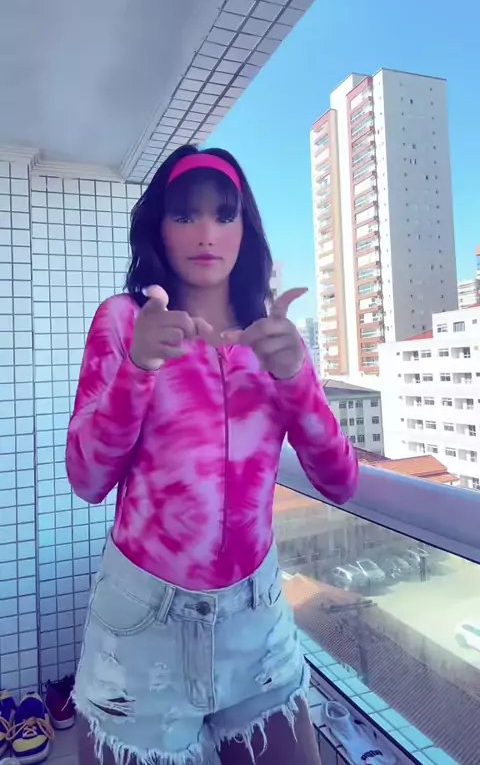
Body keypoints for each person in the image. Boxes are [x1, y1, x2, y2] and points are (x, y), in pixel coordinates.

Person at [66, 145, 358, 765]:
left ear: (245, 230)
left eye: (224, 215)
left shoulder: (274, 339)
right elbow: (87, 479)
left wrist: (296, 378)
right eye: (185, 215)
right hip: (142, 631)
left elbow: (340, 482)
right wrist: (139, 367)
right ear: (160, 229)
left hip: (258, 623)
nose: (205, 233)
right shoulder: (123, 322)